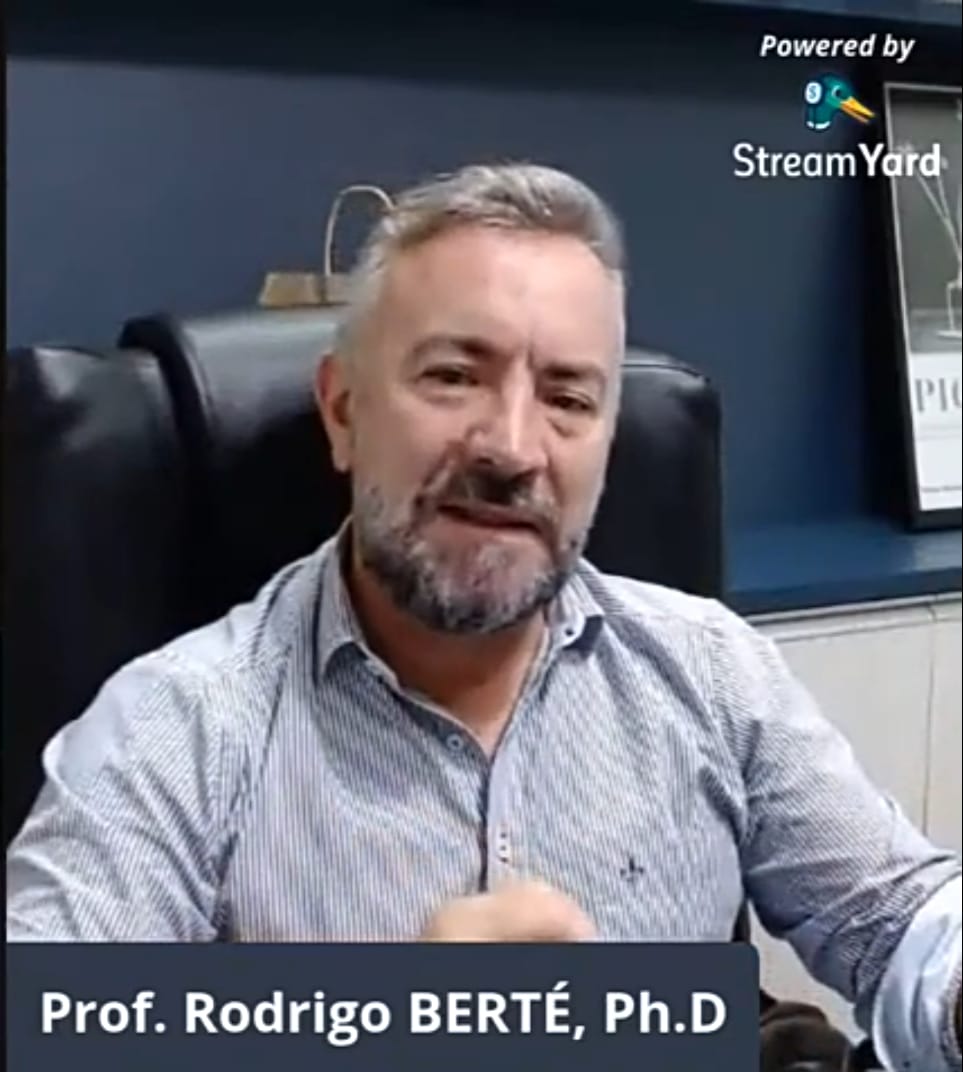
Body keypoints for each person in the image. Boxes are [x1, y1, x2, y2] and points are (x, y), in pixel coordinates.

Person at [6, 162, 961, 1069]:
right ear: (343, 412)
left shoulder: (709, 672)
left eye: (567, 398)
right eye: (453, 376)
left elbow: (900, 919)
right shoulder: (174, 729)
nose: (509, 448)